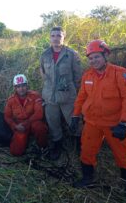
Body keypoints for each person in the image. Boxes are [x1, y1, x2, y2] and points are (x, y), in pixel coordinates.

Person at [70, 40, 126, 197]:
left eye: (96, 57)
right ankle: (88, 178)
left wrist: (124, 122)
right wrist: (75, 115)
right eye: (91, 58)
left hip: (115, 124)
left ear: (105, 55)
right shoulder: (87, 75)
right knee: (86, 151)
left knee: (123, 155)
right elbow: (81, 98)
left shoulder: (121, 74)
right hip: (92, 123)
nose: (93, 61)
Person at [40, 26, 82, 160]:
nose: (56, 38)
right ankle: (57, 145)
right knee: (53, 123)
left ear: (63, 37)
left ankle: (79, 145)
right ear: (50, 38)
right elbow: (43, 74)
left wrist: (71, 91)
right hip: (49, 96)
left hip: (68, 96)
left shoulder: (71, 54)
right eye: (53, 36)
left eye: (59, 35)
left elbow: (78, 76)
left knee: (74, 122)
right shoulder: (44, 54)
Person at [4, 74, 48, 156]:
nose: (21, 89)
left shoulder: (35, 96)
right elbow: (7, 116)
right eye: (18, 86)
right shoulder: (11, 100)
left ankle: (43, 148)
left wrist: (26, 123)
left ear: (27, 85)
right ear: (15, 88)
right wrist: (15, 126)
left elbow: (39, 114)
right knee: (16, 152)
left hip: (32, 122)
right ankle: (25, 142)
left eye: (23, 85)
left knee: (40, 127)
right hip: (20, 126)